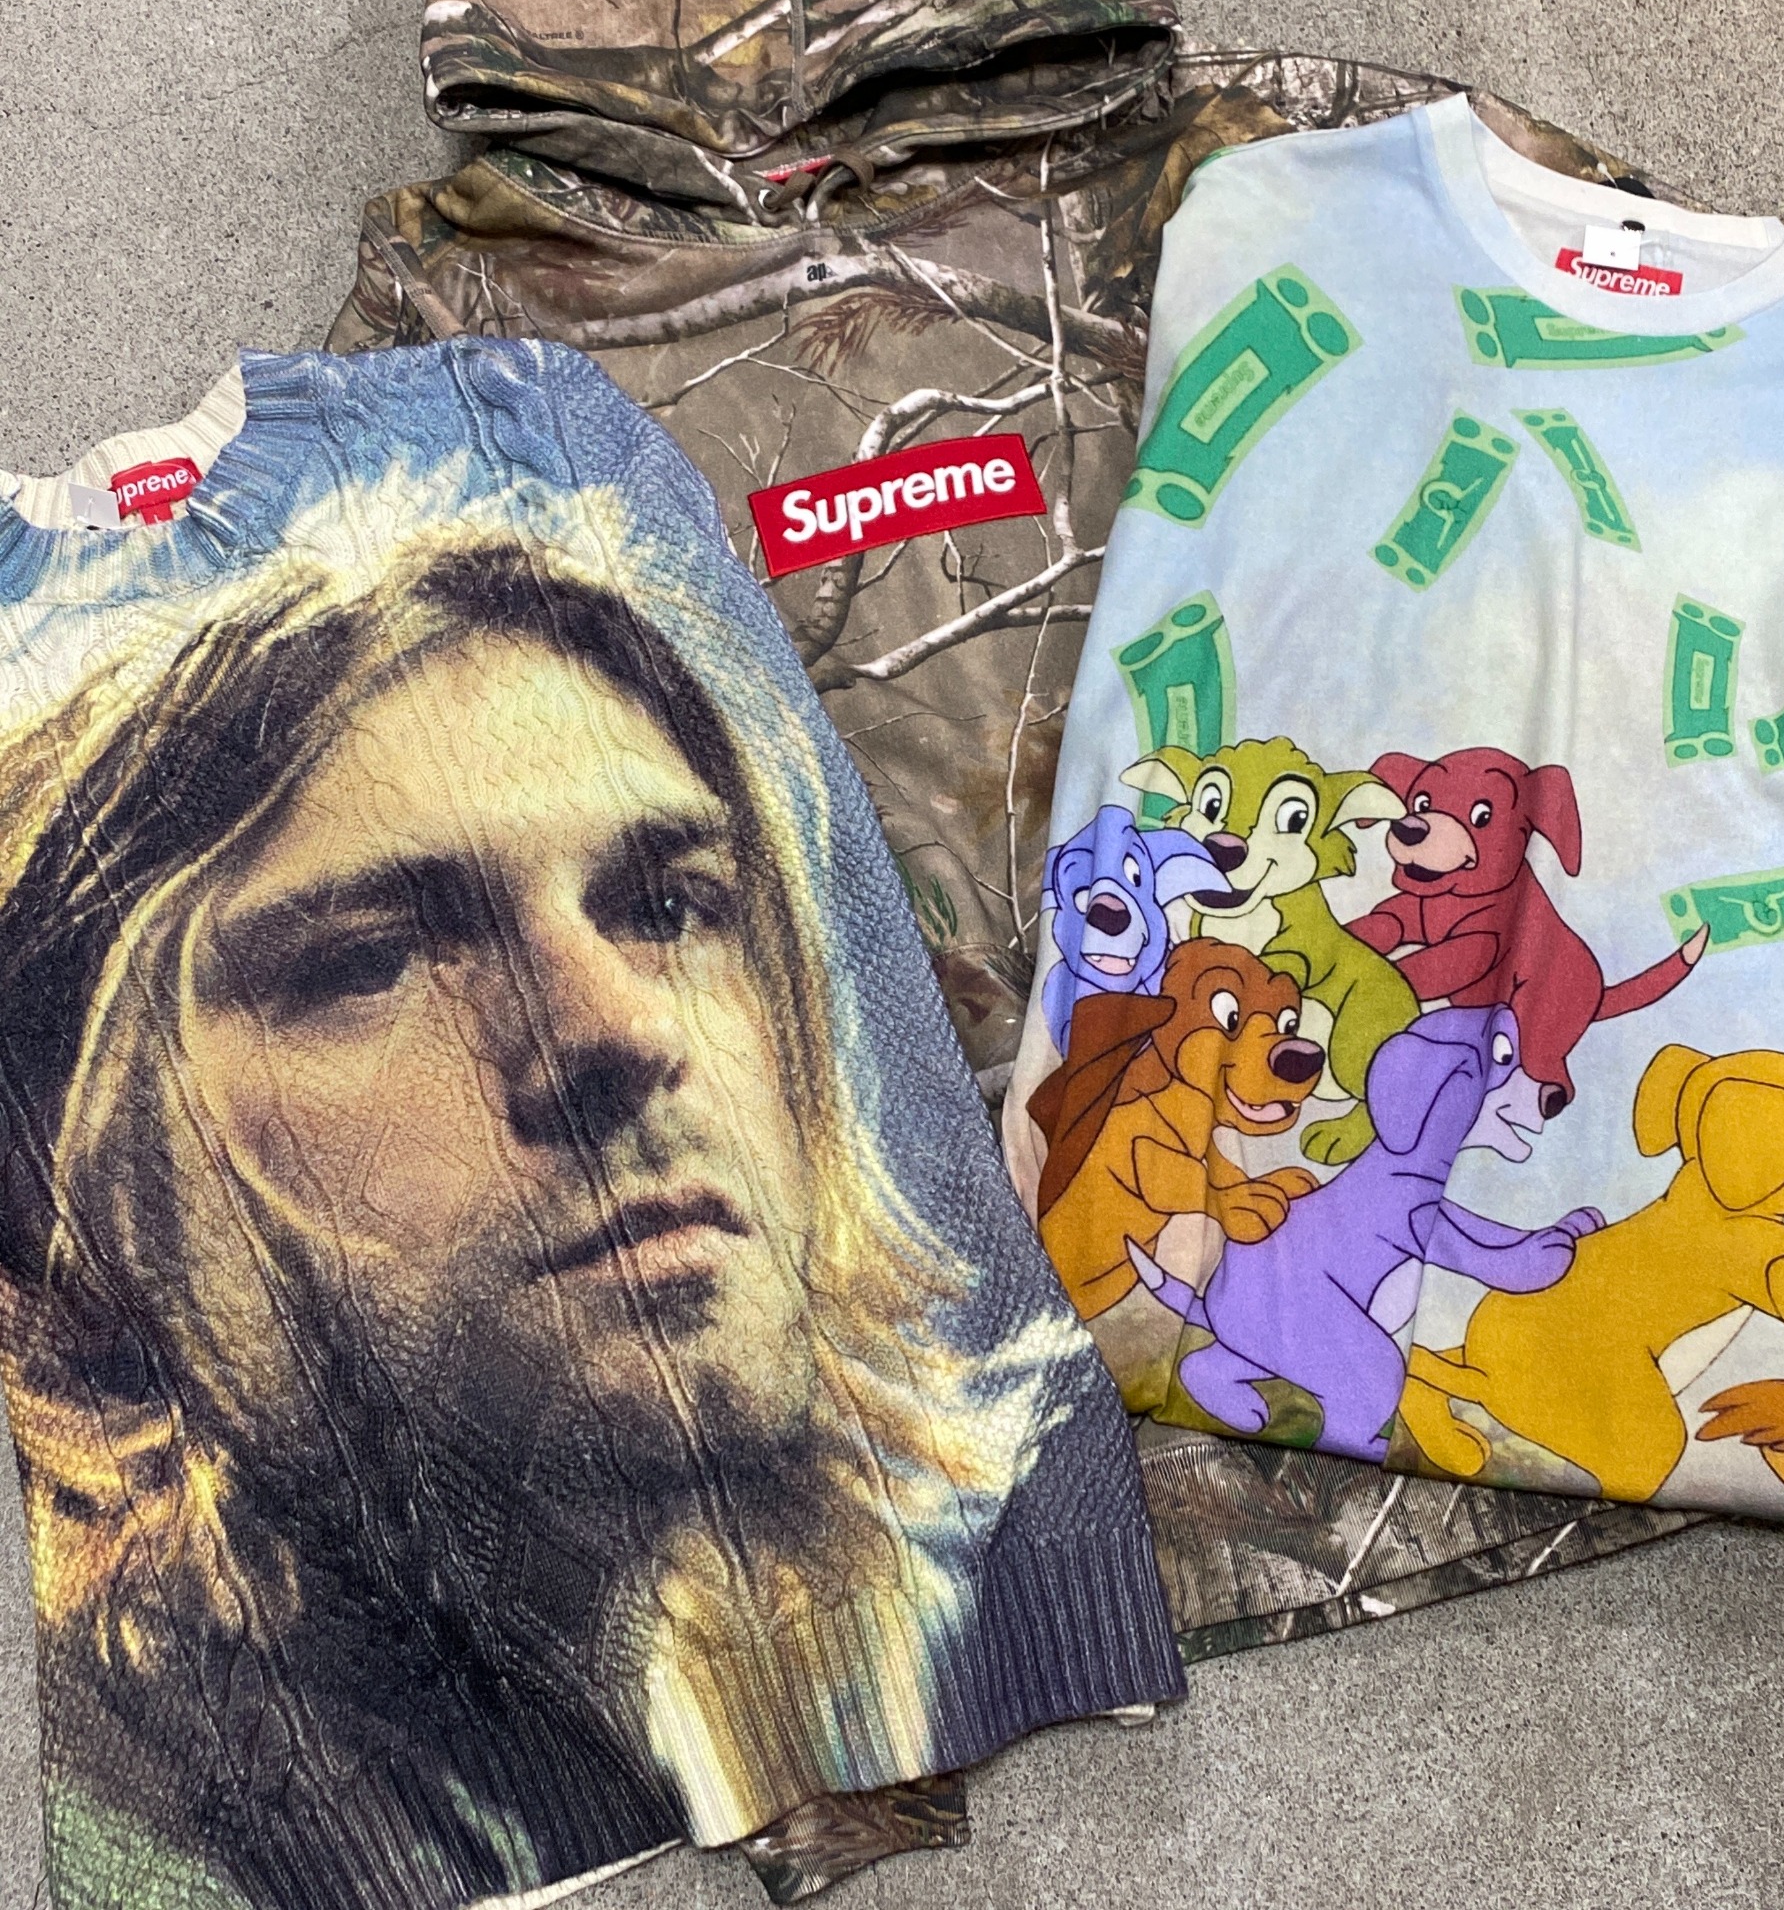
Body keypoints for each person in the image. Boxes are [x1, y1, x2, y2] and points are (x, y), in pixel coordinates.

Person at [0, 537, 1066, 1909]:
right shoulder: (155, 1838)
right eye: (368, 959)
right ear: (59, 1174)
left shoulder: (889, 1647)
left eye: (667, 905)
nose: (620, 1030)